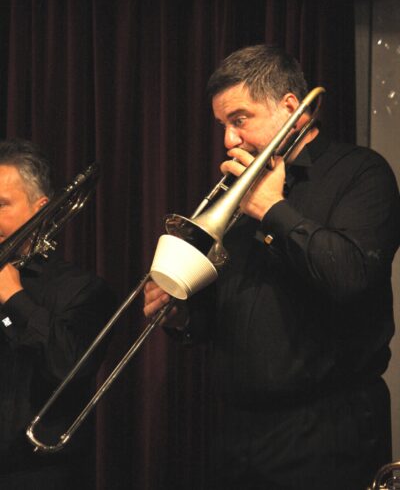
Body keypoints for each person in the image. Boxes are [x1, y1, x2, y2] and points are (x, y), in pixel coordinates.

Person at [144, 45, 400, 489]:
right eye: (223, 125)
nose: (229, 140)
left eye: (240, 119)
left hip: (327, 430)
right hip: (238, 431)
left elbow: (353, 277)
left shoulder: (361, 173)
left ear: (291, 109)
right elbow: (229, 314)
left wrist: (274, 210)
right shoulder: (236, 193)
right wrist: (182, 314)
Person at [0, 139, 113, 489]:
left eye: (1, 204)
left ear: (41, 210)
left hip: (35, 475)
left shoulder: (81, 288)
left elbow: (69, 368)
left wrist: (13, 298)